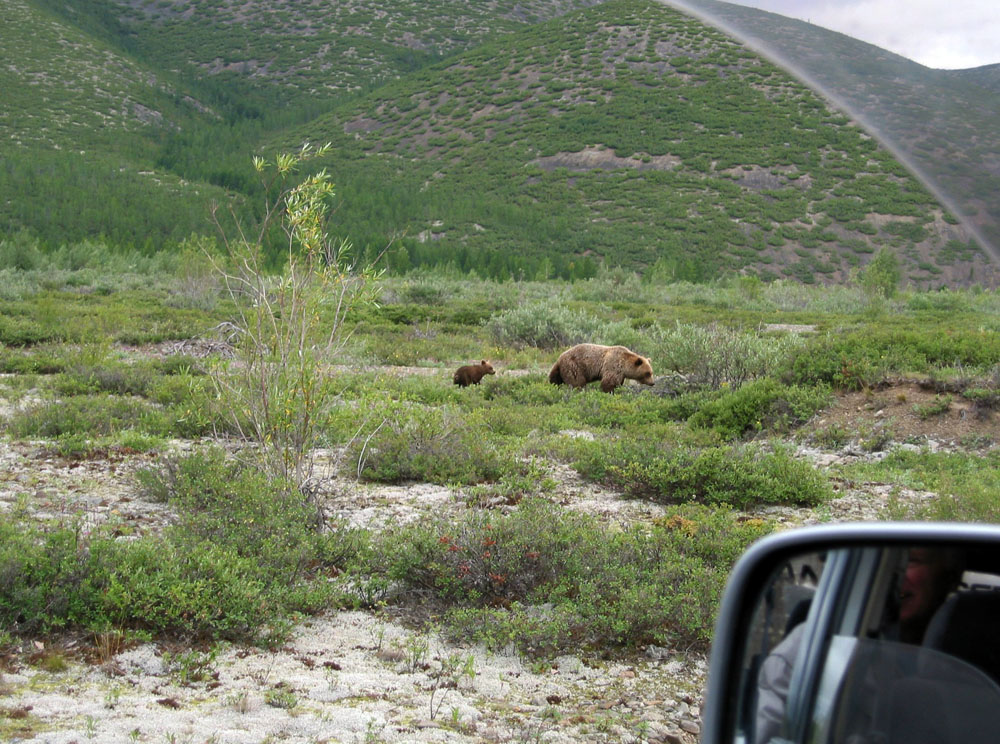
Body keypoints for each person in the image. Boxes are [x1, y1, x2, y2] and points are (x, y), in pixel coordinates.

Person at [754, 547, 964, 744]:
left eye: (910, 561)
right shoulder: (806, 651)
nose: (896, 578)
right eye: (891, 566)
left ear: (949, 578)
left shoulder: (968, 671)